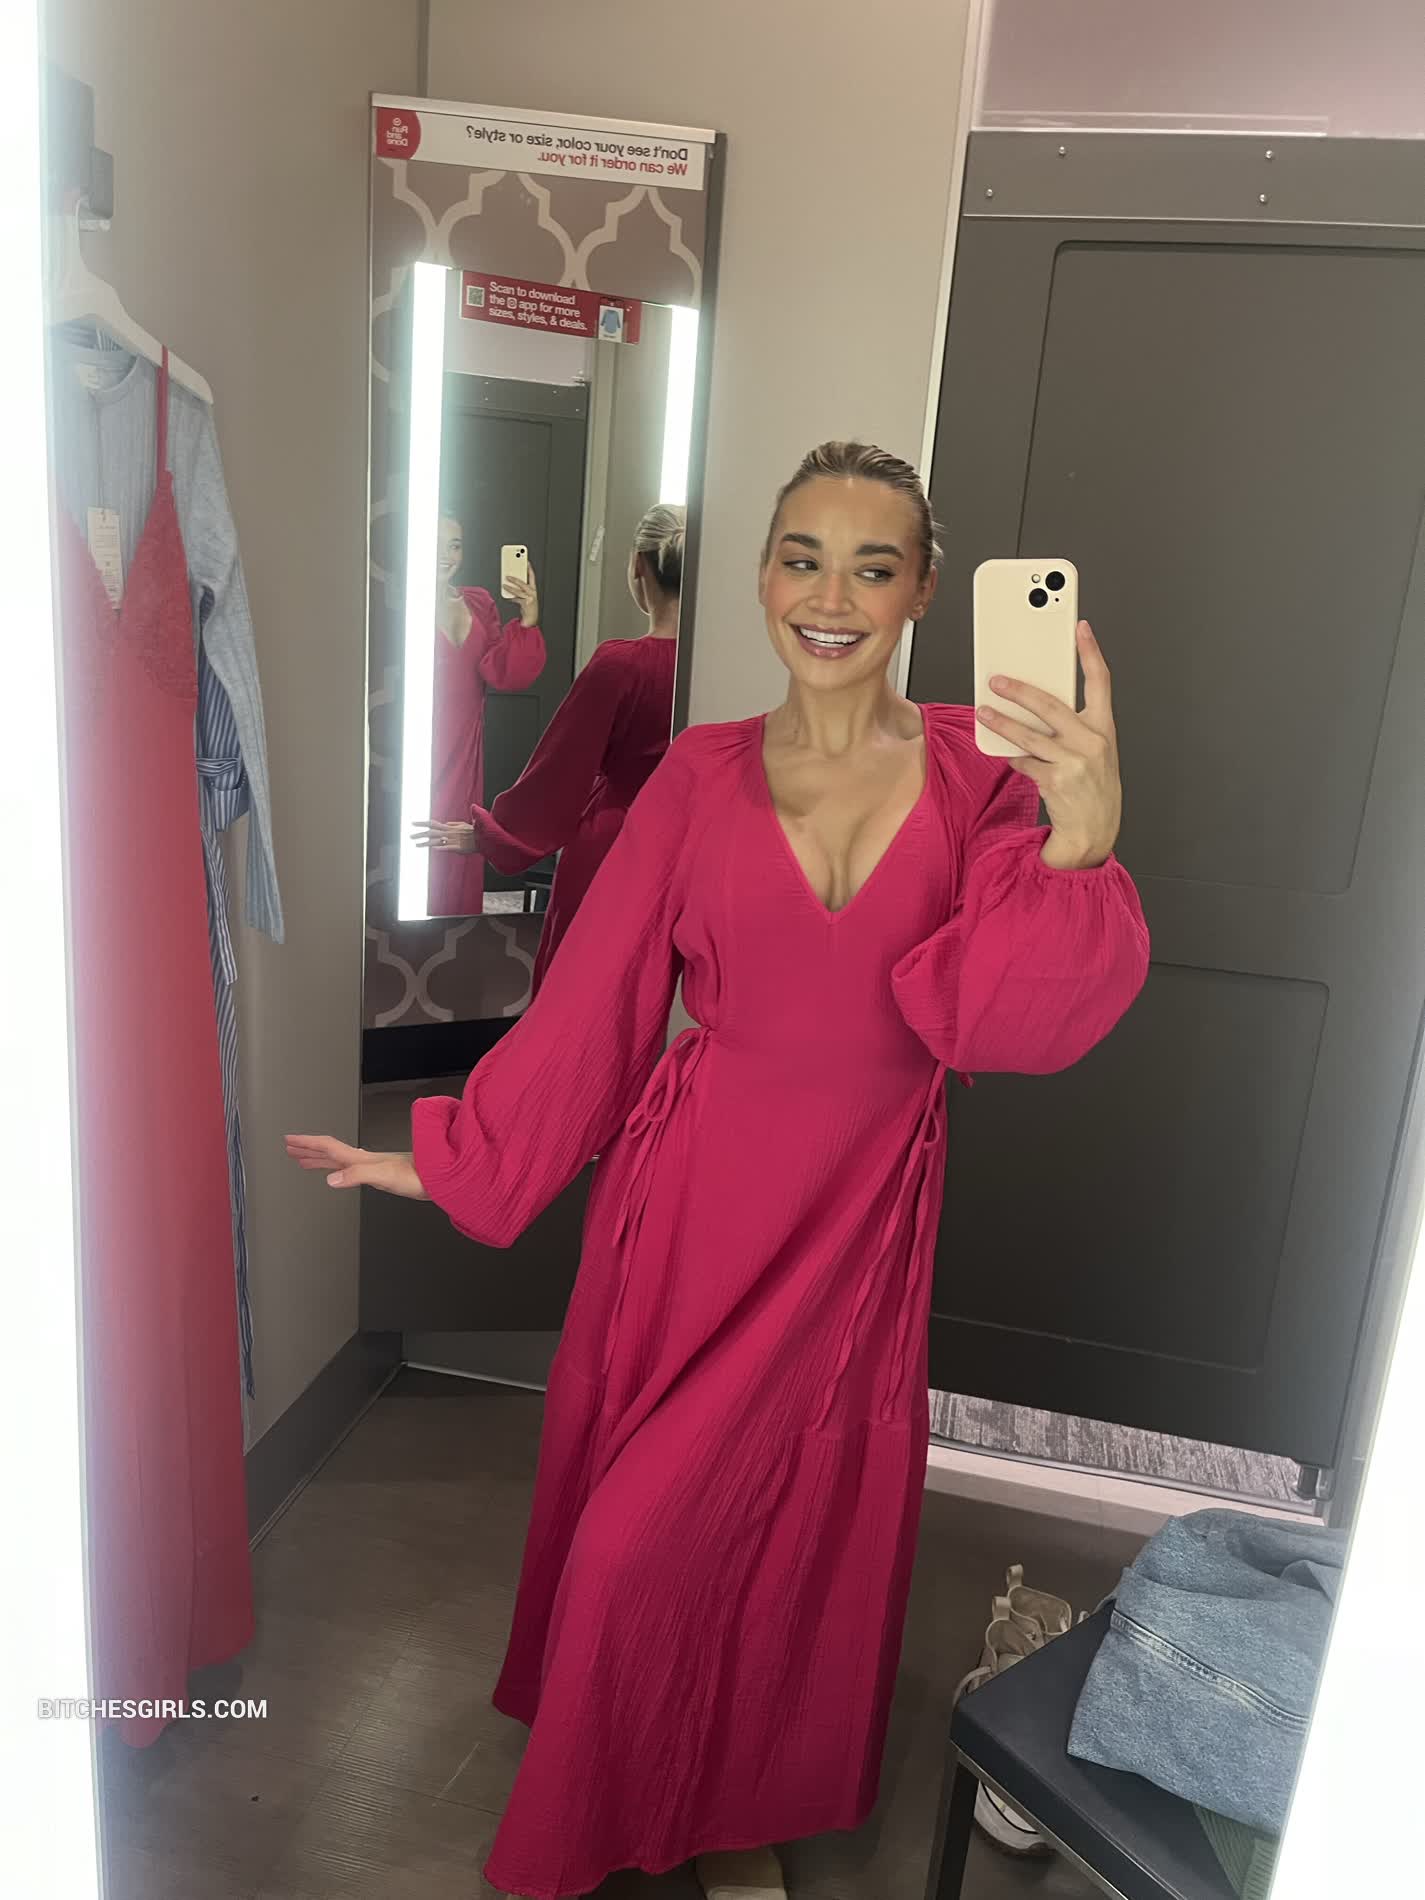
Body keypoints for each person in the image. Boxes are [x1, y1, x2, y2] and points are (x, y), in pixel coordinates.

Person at [289, 442, 1150, 1900]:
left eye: (873, 566)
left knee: (785, 1525)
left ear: (923, 590)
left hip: (860, 1219)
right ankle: (640, 1786)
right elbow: (599, 1003)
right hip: (691, 1206)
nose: (831, 596)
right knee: (640, 1536)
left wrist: (1084, 837)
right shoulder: (697, 775)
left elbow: (1000, 1022)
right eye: (802, 558)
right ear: (759, 576)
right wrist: (454, 1158)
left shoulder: (980, 775)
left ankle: (728, 1799)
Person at [415, 503, 683, 996]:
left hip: (615, 848)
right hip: (692, 856)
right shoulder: (720, 671)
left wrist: (491, 836)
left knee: (581, 1000)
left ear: (638, 566)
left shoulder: (622, 665)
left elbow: (559, 775)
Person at [426, 511, 545, 916]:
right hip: (416, 745)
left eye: (455, 545)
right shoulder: (398, 603)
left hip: (464, 747)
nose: (447, 556)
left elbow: (506, 675)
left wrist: (528, 617)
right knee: (414, 849)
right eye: (436, 544)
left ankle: (450, 936)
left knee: (456, 842)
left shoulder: (478, 602)